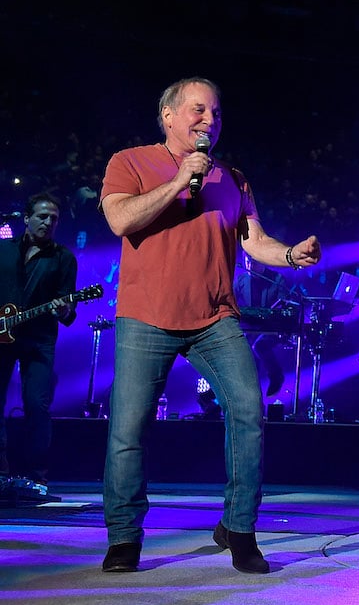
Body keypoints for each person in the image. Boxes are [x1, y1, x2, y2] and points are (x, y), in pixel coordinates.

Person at [98, 77, 321, 574]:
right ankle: (125, 537)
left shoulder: (234, 178)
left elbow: (253, 240)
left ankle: (239, 530)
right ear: (169, 116)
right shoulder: (129, 162)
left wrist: (289, 255)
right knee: (129, 429)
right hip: (146, 314)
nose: (209, 122)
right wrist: (179, 181)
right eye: (199, 111)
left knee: (248, 409)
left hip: (214, 317)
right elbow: (120, 221)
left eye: (217, 114)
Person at [0, 193, 79, 485]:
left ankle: (37, 476)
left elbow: (69, 311)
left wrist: (64, 310)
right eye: (42, 216)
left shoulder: (64, 258)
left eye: (53, 218)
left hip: (39, 339)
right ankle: (1, 473)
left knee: (37, 405)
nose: (48, 222)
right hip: (2, 337)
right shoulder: (4, 251)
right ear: (26, 219)